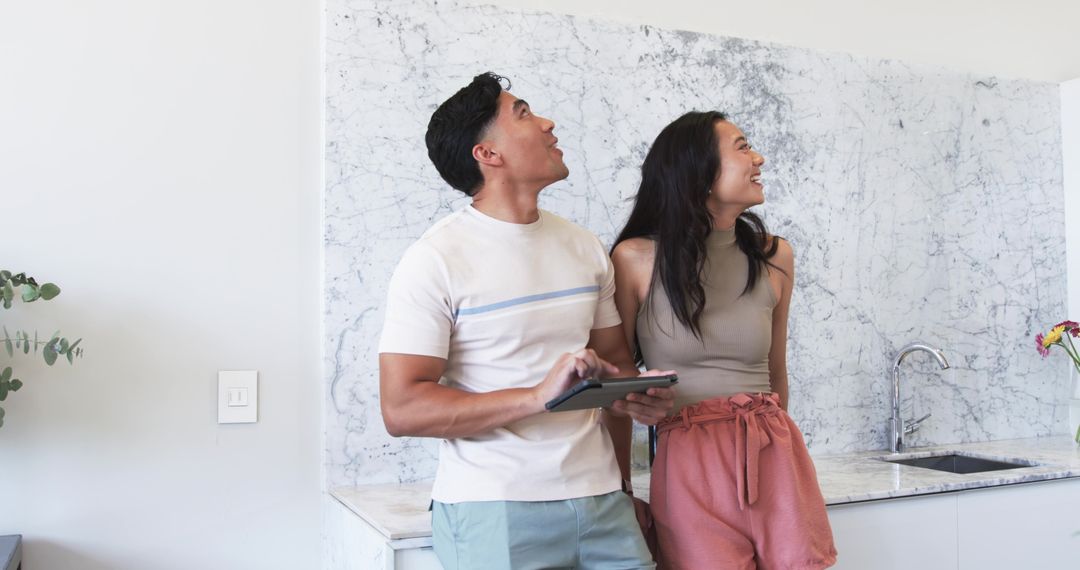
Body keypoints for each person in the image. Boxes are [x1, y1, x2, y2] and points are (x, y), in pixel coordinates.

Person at [378, 72, 675, 570]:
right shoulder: (434, 259)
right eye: (523, 114)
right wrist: (538, 396)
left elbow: (616, 365)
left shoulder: (584, 247)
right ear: (487, 153)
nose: (547, 122)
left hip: (602, 500)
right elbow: (403, 409)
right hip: (494, 509)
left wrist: (636, 397)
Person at [611, 111, 837, 569]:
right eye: (742, 147)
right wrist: (620, 489)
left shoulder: (775, 255)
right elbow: (616, 385)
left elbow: (776, 372)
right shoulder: (634, 259)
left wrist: (783, 459)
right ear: (699, 171)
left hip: (774, 453)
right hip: (689, 462)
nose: (759, 158)